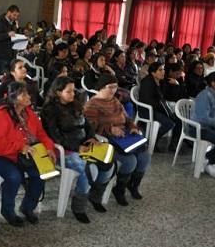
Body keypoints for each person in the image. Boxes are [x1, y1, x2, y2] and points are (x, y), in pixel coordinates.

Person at [41, 77, 114, 223]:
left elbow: (87, 125)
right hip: (65, 150)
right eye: (69, 91)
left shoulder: (75, 104)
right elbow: (55, 137)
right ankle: (79, 206)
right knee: (90, 170)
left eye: (73, 90)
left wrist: (92, 137)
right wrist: (77, 148)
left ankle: (95, 196)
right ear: (58, 93)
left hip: (84, 145)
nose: (73, 94)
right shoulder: (49, 110)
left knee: (109, 164)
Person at [0, 81, 56, 227]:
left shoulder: (28, 113)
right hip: (1, 155)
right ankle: (8, 211)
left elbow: (41, 134)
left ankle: (27, 207)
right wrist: (20, 147)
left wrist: (49, 148)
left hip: (24, 154)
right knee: (14, 176)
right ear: (14, 98)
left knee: (41, 173)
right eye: (24, 94)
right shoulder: (0, 115)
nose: (29, 96)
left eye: (27, 93)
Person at [83, 74, 151, 206]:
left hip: (124, 137)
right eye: (111, 87)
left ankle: (133, 185)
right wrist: (110, 129)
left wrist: (132, 127)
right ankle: (119, 190)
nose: (114, 90)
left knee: (145, 157)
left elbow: (127, 119)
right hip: (107, 141)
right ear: (102, 87)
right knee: (130, 162)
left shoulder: (114, 101)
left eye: (116, 86)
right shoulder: (92, 105)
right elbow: (90, 128)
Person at [138, 62, 180, 152]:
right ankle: (153, 141)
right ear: (153, 73)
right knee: (170, 123)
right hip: (147, 110)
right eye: (160, 70)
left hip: (158, 108)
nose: (163, 72)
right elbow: (148, 101)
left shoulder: (161, 81)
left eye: (163, 69)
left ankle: (173, 143)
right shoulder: (147, 82)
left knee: (177, 119)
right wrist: (164, 108)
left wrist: (175, 85)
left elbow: (169, 96)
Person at [0, 5, 19, 74]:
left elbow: (13, 36)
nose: (15, 17)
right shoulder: (0, 22)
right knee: (3, 78)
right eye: (14, 15)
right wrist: (7, 34)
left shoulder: (13, 23)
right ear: (8, 12)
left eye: (17, 16)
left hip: (11, 55)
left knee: (11, 78)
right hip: (2, 56)